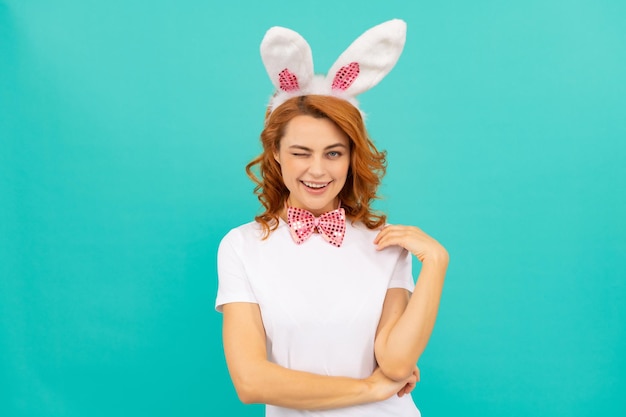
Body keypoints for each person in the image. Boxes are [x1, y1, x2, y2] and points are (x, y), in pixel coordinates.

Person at [216, 20, 448, 417]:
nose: (318, 170)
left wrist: (437, 264)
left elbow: (394, 363)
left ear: (352, 156)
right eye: (301, 152)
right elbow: (251, 382)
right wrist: (370, 388)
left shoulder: (385, 244)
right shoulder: (242, 246)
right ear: (276, 153)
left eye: (334, 153)